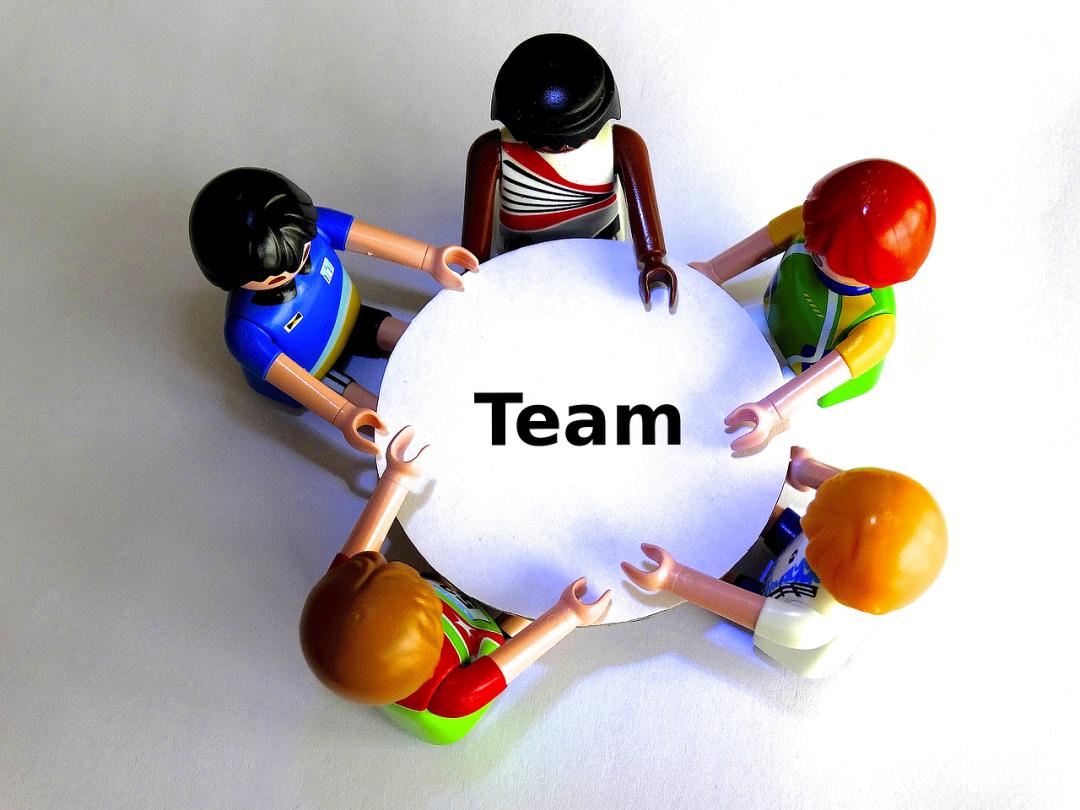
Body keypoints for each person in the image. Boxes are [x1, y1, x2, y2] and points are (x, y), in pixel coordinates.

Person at [300, 427, 612, 743]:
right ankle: (516, 615)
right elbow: (509, 661)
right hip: (477, 641)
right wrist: (569, 615)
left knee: (450, 563)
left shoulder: (341, 594)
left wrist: (397, 476)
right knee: (522, 617)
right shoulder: (452, 697)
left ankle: (447, 586)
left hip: (438, 606)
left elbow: (361, 550)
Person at [189, 167, 478, 454]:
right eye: (275, 275)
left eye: (301, 254)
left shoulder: (310, 229)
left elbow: (366, 239)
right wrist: (344, 416)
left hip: (353, 317)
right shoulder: (245, 332)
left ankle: (461, 361)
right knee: (377, 414)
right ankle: (414, 439)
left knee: (417, 337)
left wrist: (430, 258)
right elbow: (295, 380)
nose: (295, 267)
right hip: (314, 371)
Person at [621, 447, 947, 677]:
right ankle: (767, 527)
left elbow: (744, 608)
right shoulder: (854, 517)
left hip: (772, 603)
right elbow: (847, 485)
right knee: (781, 523)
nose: (814, 518)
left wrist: (674, 577)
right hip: (797, 555)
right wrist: (804, 469)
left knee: (729, 583)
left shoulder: (810, 626)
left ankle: (725, 570)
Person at [690, 159, 935, 451]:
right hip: (774, 318)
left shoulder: (876, 325)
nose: (809, 246)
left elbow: (824, 375)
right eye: (812, 235)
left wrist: (772, 410)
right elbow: (750, 250)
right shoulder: (812, 225)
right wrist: (710, 272)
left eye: (822, 255)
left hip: (807, 371)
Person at [462, 33, 677, 310]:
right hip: (521, 252)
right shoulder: (491, 151)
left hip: (600, 247)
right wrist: (473, 274)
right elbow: (473, 248)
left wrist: (653, 259)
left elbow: (642, 208)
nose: (561, 146)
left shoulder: (622, 143)